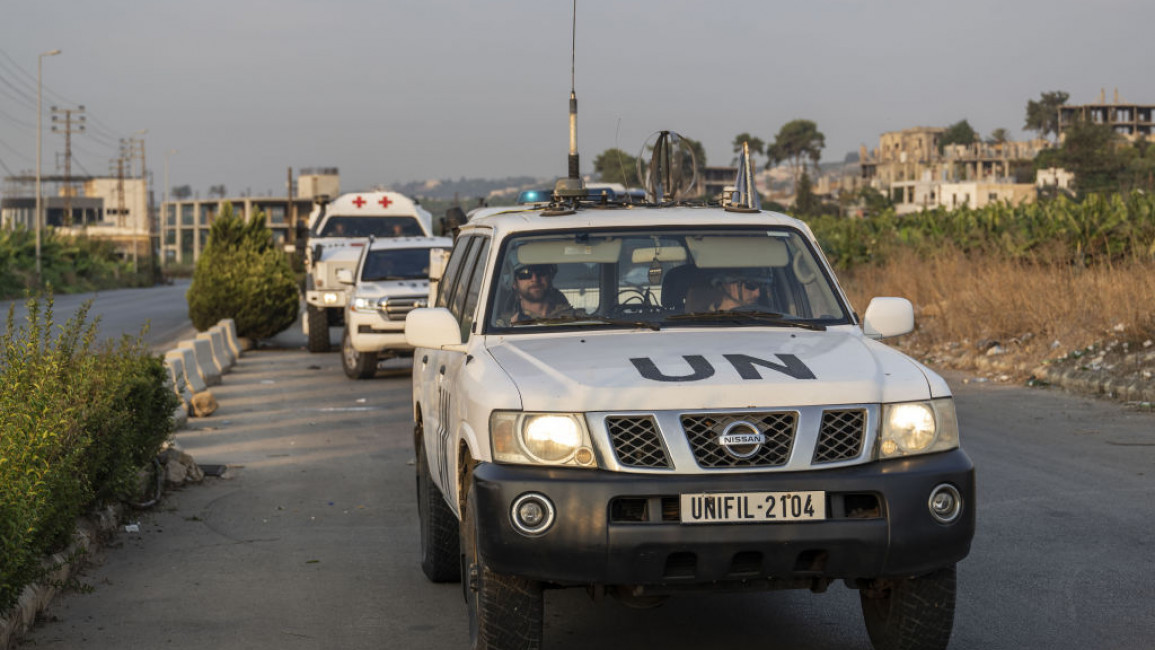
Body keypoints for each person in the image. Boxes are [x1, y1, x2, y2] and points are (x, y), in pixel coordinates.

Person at [496, 263, 578, 326]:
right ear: (514, 283)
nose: (534, 279)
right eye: (525, 274)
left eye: (541, 272)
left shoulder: (577, 318)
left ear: (550, 278)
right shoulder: (503, 324)